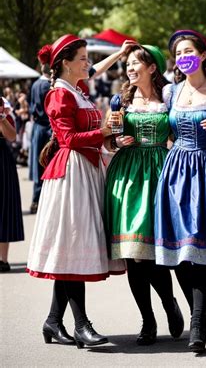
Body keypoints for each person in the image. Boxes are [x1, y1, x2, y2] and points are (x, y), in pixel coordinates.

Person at [26, 34, 127, 349]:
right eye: (82, 58)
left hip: (87, 169)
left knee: (71, 252)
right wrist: (105, 131)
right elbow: (68, 139)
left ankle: (54, 321)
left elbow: (96, 70)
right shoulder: (59, 95)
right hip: (71, 173)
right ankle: (81, 324)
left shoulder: (77, 88)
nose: (88, 63)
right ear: (65, 64)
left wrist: (121, 53)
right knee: (73, 251)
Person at [154, 29, 206, 353]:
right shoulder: (171, 92)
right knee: (178, 253)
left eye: (189, 50)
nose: (183, 56)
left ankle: (197, 321)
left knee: (202, 248)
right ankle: (201, 311)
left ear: (202, 54)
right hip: (176, 170)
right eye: (178, 52)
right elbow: (167, 132)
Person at [103, 44, 184, 345]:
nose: (130, 67)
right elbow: (109, 139)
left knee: (153, 253)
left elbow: (180, 134)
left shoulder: (170, 98)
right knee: (133, 254)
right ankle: (147, 320)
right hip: (128, 177)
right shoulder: (120, 100)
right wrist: (116, 141)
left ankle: (169, 303)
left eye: (137, 62)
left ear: (153, 68)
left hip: (161, 172)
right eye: (128, 63)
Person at [0, 97, 24, 272]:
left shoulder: (2, 105)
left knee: (3, 207)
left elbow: (12, 136)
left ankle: (3, 259)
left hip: (1, 160)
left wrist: (1, 117)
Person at [28, 64, 52, 214]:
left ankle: (35, 200)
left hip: (37, 127)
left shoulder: (35, 84)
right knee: (45, 163)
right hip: (46, 128)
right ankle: (39, 200)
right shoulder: (48, 86)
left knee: (38, 164)